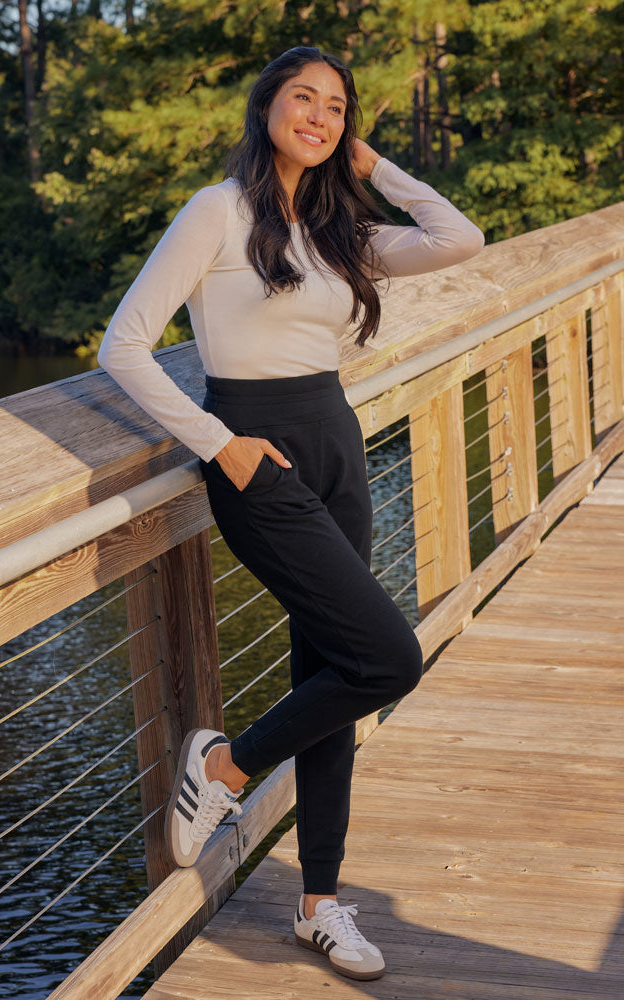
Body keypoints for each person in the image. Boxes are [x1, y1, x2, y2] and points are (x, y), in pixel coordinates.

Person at [97, 45, 484, 982]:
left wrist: (372, 166)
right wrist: (216, 443)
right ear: (266, 103)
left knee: (339, 667)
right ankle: (225, 768)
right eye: (301, 97)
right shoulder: (217, 211)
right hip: (255, 451)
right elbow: (125, 344)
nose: (316, 114)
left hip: (335, 443)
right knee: (389, 657)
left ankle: (320, 905)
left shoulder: (340, 229)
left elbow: (459, 237)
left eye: (335, 106)